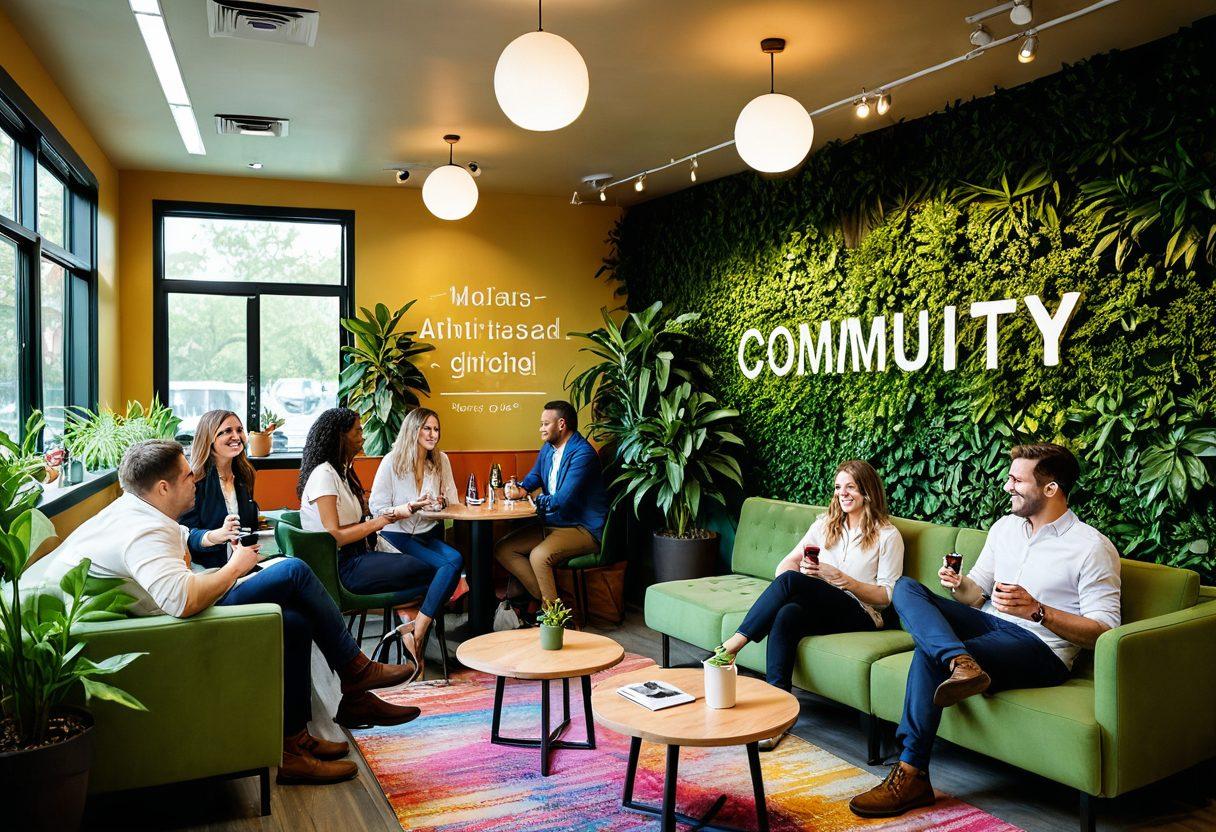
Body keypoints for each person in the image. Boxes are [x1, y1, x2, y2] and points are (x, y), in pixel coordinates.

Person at [37, 440, 422, 786]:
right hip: (164, 630)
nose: (195, 478)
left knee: (295, 620)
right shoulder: (143, 530)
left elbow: (177, 549)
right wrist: (235, 568)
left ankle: (293, 744)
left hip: (147, 622)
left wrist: (216, 542)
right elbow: (182, 601)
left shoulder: (132, 509)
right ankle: (355, 672)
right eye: (188, 475)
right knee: (292, 570)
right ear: (163, 488)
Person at [849, 443, 1121, 818]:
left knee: (929, 652)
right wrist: (958, 584)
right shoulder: (1004, 528)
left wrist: (1038, 611)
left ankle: (911, 773)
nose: (1007, 486)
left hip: (1040, 648)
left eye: (1016, 479)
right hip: (990, 625)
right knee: (907, 589)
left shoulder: (1091, 547)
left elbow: (1105, 631)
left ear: (1051, 489)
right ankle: (960, 660)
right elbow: (976, 594)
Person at [717, 460, 904, 751]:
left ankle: (731, 647)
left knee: (792, 586)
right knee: (788, 613)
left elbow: (887, 596)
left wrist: (842, 580)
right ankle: (778, 717)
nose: (842, 494)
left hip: (862, 612)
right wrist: (805, 579)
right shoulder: (825, 524)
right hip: (821, 603)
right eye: (838, 487)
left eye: (850, 487)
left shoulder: (888, 536)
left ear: (867, 491)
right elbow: (785, 566)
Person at [297, 407, 423, 664]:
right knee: (428, 572)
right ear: (341, 436)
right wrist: (380, 522)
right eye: (358, 431)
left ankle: (409, 630)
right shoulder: (323, 475)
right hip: (341, 567)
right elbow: (335, 535)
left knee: (430, 575)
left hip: (355, 557)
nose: (363, 437)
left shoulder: (341, 472)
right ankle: (411, 633)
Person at [368, 407, 464, 661]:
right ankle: (420, 633)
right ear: (413, 430)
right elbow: (376, 508)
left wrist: (441, 502)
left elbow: (452, 502)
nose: (433, 434)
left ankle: (417, 630)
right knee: (450, 564)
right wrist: (409, 507)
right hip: (395, 535)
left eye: (436, 429)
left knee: (454, 560)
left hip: (426, 534)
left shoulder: (441, 460)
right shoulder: (392, 461)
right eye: (427, 428)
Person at [496, 400, 609, 604]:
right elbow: (536, 475)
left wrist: (535, 500)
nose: (541, 429)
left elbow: (562, 500)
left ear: (561, 424)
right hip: (555, 523)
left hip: (581, 528)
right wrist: (521, 488)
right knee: (504, 549)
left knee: (539, 556)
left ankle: (553, 621)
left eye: (545, 424)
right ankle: (550, 603)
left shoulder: (582, 454)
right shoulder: (549, 448)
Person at [179, 409, 259, 569]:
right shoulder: (194, 480)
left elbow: (248, 528)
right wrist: (218, 535)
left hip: (245, 565)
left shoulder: (245, 474)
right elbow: (187, 535)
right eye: (227, 431)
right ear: (209, 438)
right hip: (210, 570)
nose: (236, 437)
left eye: (239, 430)